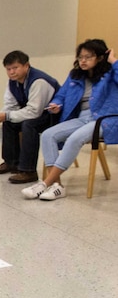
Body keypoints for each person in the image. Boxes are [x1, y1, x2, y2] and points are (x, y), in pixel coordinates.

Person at [21, 41, 118, 200]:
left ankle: (45, 183)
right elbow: (62, 94)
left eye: (88, 57)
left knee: (74, 138)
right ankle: (57, 186)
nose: (83, 61)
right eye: (80, 57)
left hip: (103, 119)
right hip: (82, 118)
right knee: (47, 135)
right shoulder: (76, 75)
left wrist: (113, 60)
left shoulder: (110, 74)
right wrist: (57, 104)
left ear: (100, 57)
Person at [0, 50, 60, 184]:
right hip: (35, 113)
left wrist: (5, 115)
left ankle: (28, 171)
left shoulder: (39, 81)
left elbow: (34, 111)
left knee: (29, 125)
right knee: (9, 122)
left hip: (53, 116)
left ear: (26, 66)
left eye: (15, 68)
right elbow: (10, 105)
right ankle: (11, 163)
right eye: (8, 69)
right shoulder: (12, 82)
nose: (11, 72)